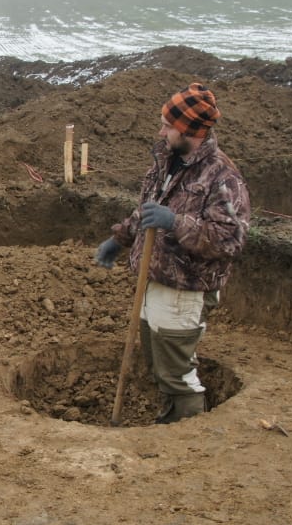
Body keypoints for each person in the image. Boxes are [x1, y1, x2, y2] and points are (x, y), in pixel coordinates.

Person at [94, 83, 251, 423]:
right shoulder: (167, 162)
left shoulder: (222, 176)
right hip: (156, 279)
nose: (160, 131)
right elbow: (148, 210)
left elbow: (231, 239)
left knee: (177, 374)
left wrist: (177, 223)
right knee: (158, 361)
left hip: (186, 290)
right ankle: (170, 418)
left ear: (187, 130)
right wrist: (120, 239)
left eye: (167, 125)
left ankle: (188, 432)